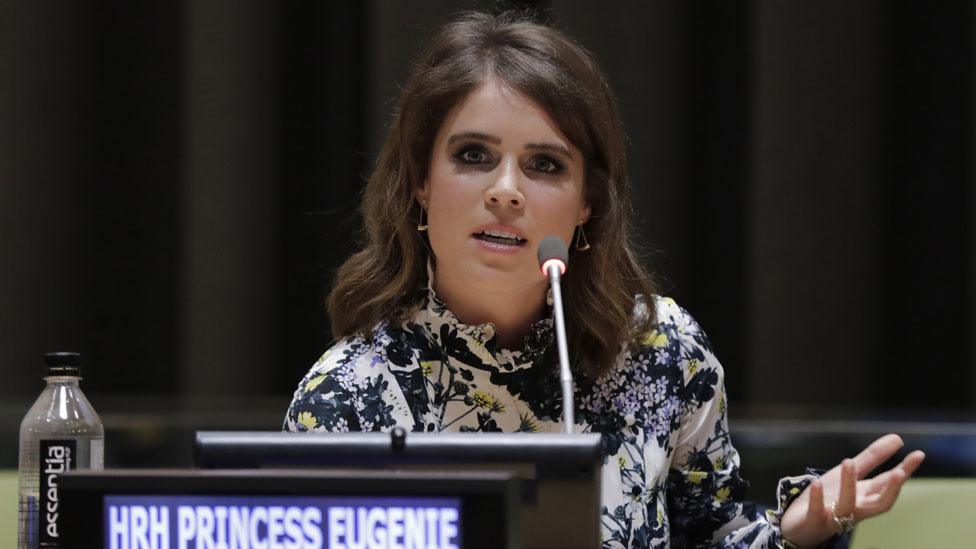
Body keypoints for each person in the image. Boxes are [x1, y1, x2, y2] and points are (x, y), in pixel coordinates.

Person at [284, 11, 925, 548]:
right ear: (422, 182)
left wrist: (796, 529)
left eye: (544, 164)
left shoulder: (660, 350)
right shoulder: (347, 395)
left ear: (587, 201)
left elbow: (713, 533)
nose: (505, 192)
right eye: (473, 156)